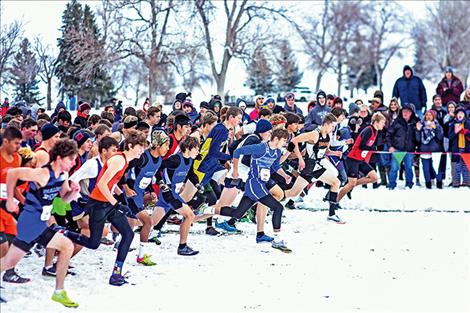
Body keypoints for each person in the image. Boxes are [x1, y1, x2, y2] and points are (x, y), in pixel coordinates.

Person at [1, 139, 80, 307]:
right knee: (8, 262)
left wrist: (74, 193)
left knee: (67, 246)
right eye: (71, 159)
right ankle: (59, 291)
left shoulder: (63, 175)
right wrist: (9, 200)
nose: (73, 163)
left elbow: (64, 199)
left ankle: (59, 292)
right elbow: (12, 174)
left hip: (41, 224)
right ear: (59, 157)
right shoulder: (43, 174)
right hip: (29, 223)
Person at [63, 129, 146, 286]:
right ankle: (62, 232)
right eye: (140, 147)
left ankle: (116, 274)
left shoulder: (125, 161)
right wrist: (116, 204)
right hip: (97, 204)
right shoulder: (119, 160)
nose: (142, 150)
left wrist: (121, 199)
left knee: (128, 234)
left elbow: (110, 183)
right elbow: (101, 184)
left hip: (107, 203)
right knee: (94, 243)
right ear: (130, 145)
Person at [202, 128, 292, 252]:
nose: (285, 144)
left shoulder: (276, 152)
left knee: (237, 213)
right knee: (278, 207)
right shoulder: (260, 147)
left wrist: (285, 175)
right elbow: (238, 152)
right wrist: (235, 170)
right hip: (253, 184)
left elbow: (275, 166)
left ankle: (208, 209)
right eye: (284, 141)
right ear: (276, 139)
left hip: (261, 184)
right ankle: (277, 239)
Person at [285, 114, 345, 223]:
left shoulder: (327, 135)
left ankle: (271, 199)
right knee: (336, 182)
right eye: (332, 126)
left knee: (292, 193)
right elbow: (294, 140)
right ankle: (332, 214)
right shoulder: (314, 134)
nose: (333, 129)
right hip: (311, 165)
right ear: (326, 124)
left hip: (315, 166)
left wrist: (334, 153)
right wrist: (300, 158)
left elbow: (324, 151)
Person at [125, 130, 169, 265]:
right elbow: (125, 169)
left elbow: (151, 176)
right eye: (166, 145)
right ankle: (141, 256)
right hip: (131, 194)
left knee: (130, 225)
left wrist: (154, 188)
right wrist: (126, 188)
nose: (168, 148)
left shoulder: (159, 159)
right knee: (148, 223)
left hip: (139, 194)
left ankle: (119, 242)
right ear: (157, 145)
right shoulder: (142, 157)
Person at [153, 136, 201, 255]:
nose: (198, 151)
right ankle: (182, 247)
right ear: (188, 148)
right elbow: (158, 167)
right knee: (190, 215)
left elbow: (191, 173)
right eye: (196, 148)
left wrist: (197, 184)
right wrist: (161, 183)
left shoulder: (189, 160)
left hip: (172, 194)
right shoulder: (175, 159)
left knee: (150, 221)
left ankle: (122, 230)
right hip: (169, 194)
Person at [0, 127, 31, 284]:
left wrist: (23, 202)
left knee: (16, 239)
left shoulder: (18, 159)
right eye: (16, 143)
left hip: (6, 206)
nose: (19, 147)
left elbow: (14, 185)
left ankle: (9, 272)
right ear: (5, 141)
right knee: (2, 245)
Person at [338, 113, 385, 201]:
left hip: (360, 159)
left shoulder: (376, 131)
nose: (383, 124)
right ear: (376, 122)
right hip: (353, 158)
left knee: (374, 178)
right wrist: (372, 148)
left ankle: (350, 186)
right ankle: (334, 202)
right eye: (382, 122)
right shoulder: (369, 130)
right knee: (351, 183)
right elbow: (362, 146)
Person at [386, 103, 419, 189]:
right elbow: (388, 135)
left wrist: (418, 130)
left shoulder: (415, 122)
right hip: (397, 149)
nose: (405, 113)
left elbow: (418, 138)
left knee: (408, 168)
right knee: (394, 168)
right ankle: (392, 185)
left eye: (407, 111)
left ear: (411, 112)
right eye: (404, 111)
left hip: (409, 150)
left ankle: (409, 184)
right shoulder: (397, 122)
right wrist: (390, 146)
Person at [415, 110, 444, 189]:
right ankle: (428, 184)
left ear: (433, 116)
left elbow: (440, 137)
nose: (428, 116)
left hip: (435, 150)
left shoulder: (437, 125)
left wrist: (436, 128)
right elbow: (417, 139)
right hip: (424, 150)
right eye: (427, 115)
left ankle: (439, 183)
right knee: (426, 169)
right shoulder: (420, 125)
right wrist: (417, 130)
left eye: (430, 115)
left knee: (436, 168)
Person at [448, 106, 470, 187]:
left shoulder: (468, 123)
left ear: (464, 114)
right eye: (458, 113)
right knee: (456, 165)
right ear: (456, 115)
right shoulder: (452, 124)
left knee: (466, 165)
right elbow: (449, 136)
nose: (460, 115)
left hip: (467, 147)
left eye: (461, 113)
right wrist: (455, 132)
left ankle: (466, 182)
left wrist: (465, 132)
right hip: (456, 148)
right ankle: (456, 183)